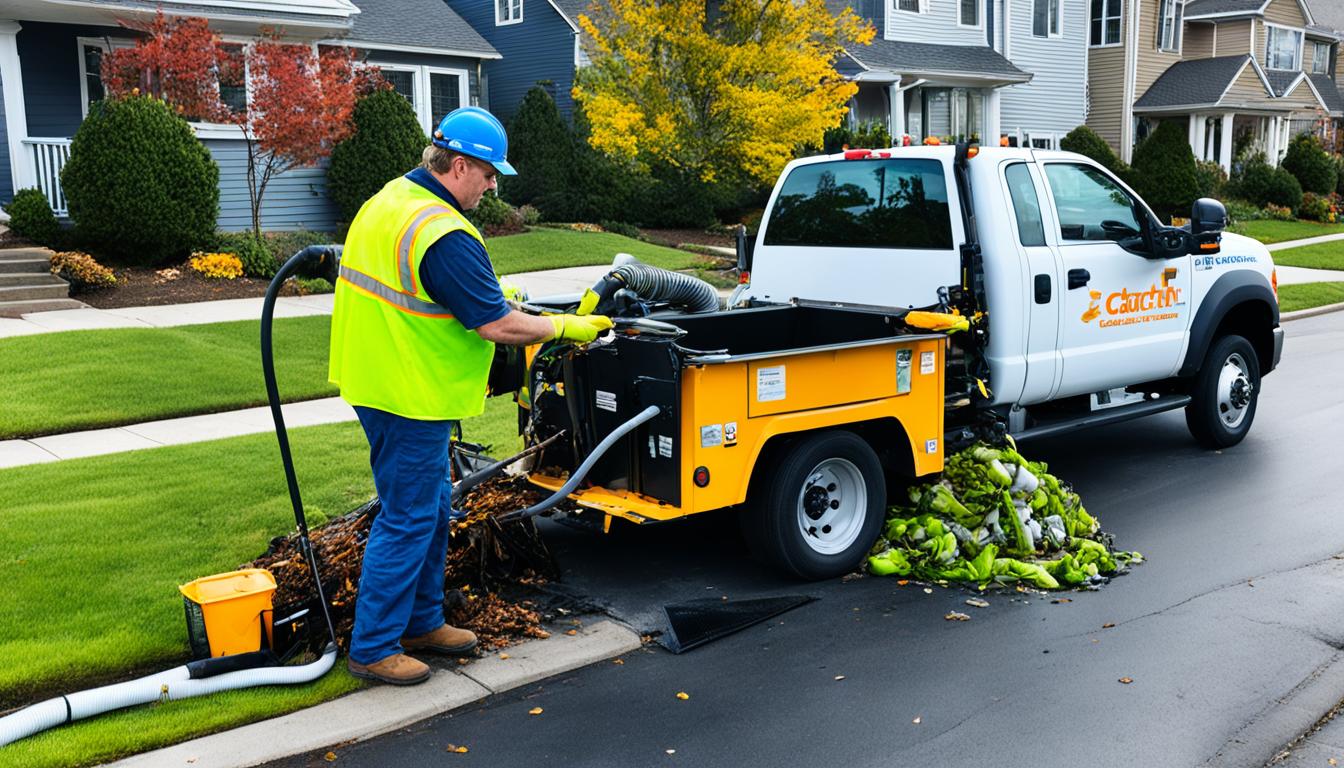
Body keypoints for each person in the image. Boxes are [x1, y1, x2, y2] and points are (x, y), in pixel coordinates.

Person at [328, 106, 613, 685]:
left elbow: (430, 293)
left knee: (431, 508)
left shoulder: (390, 200)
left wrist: (497, 296)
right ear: (459, 166)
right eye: (488, 175)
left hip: (381, 378)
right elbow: (497, 326)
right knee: (408, 517)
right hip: (408, 393)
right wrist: (564, 328)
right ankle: (375, 646)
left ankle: (422, 622)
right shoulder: (442, 230)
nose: (492, 186)